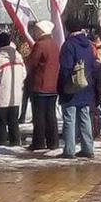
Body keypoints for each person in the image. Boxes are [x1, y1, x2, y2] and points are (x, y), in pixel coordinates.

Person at [58, 17, 101, 158]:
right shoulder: (89, 45)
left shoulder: (68, 45)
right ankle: (88, 148)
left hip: (71, 86)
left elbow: (65, 68)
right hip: (86, 85)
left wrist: (63, 86)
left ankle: (69, 150)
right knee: (85, 118)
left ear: (68, 28)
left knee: (69, 118)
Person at [25, 20, 60, 151]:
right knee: (51, 115)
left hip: (40, 85)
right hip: (53, 85)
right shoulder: (54, 44)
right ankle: (53, 142)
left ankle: (38, 142)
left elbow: (32, 63)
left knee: (39, 116)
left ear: (41, 31)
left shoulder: (40, 45)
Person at [0, 31, 26, 147]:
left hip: (1, 93)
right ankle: (15, 142)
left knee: (0, 121)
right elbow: (24, 74)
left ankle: (1, 142)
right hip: (16, 94)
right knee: (13, 121)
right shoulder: (18, 56)